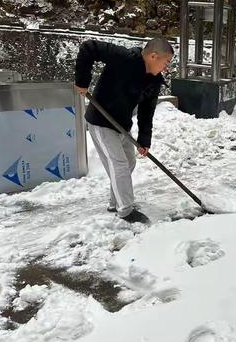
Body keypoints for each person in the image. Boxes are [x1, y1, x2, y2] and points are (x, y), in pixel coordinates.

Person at [74, 38, 174, 223]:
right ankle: (126, 211)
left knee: (128, 162)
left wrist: (144, 141)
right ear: (153, 56)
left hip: (122, 125)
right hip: (101, 120)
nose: (166, 68)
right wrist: (82, 80)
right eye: (166, 62)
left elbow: (146, 112)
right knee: (118, 164)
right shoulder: (124, 58)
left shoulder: (154, 81)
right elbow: (89, 47)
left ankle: (115, 202)